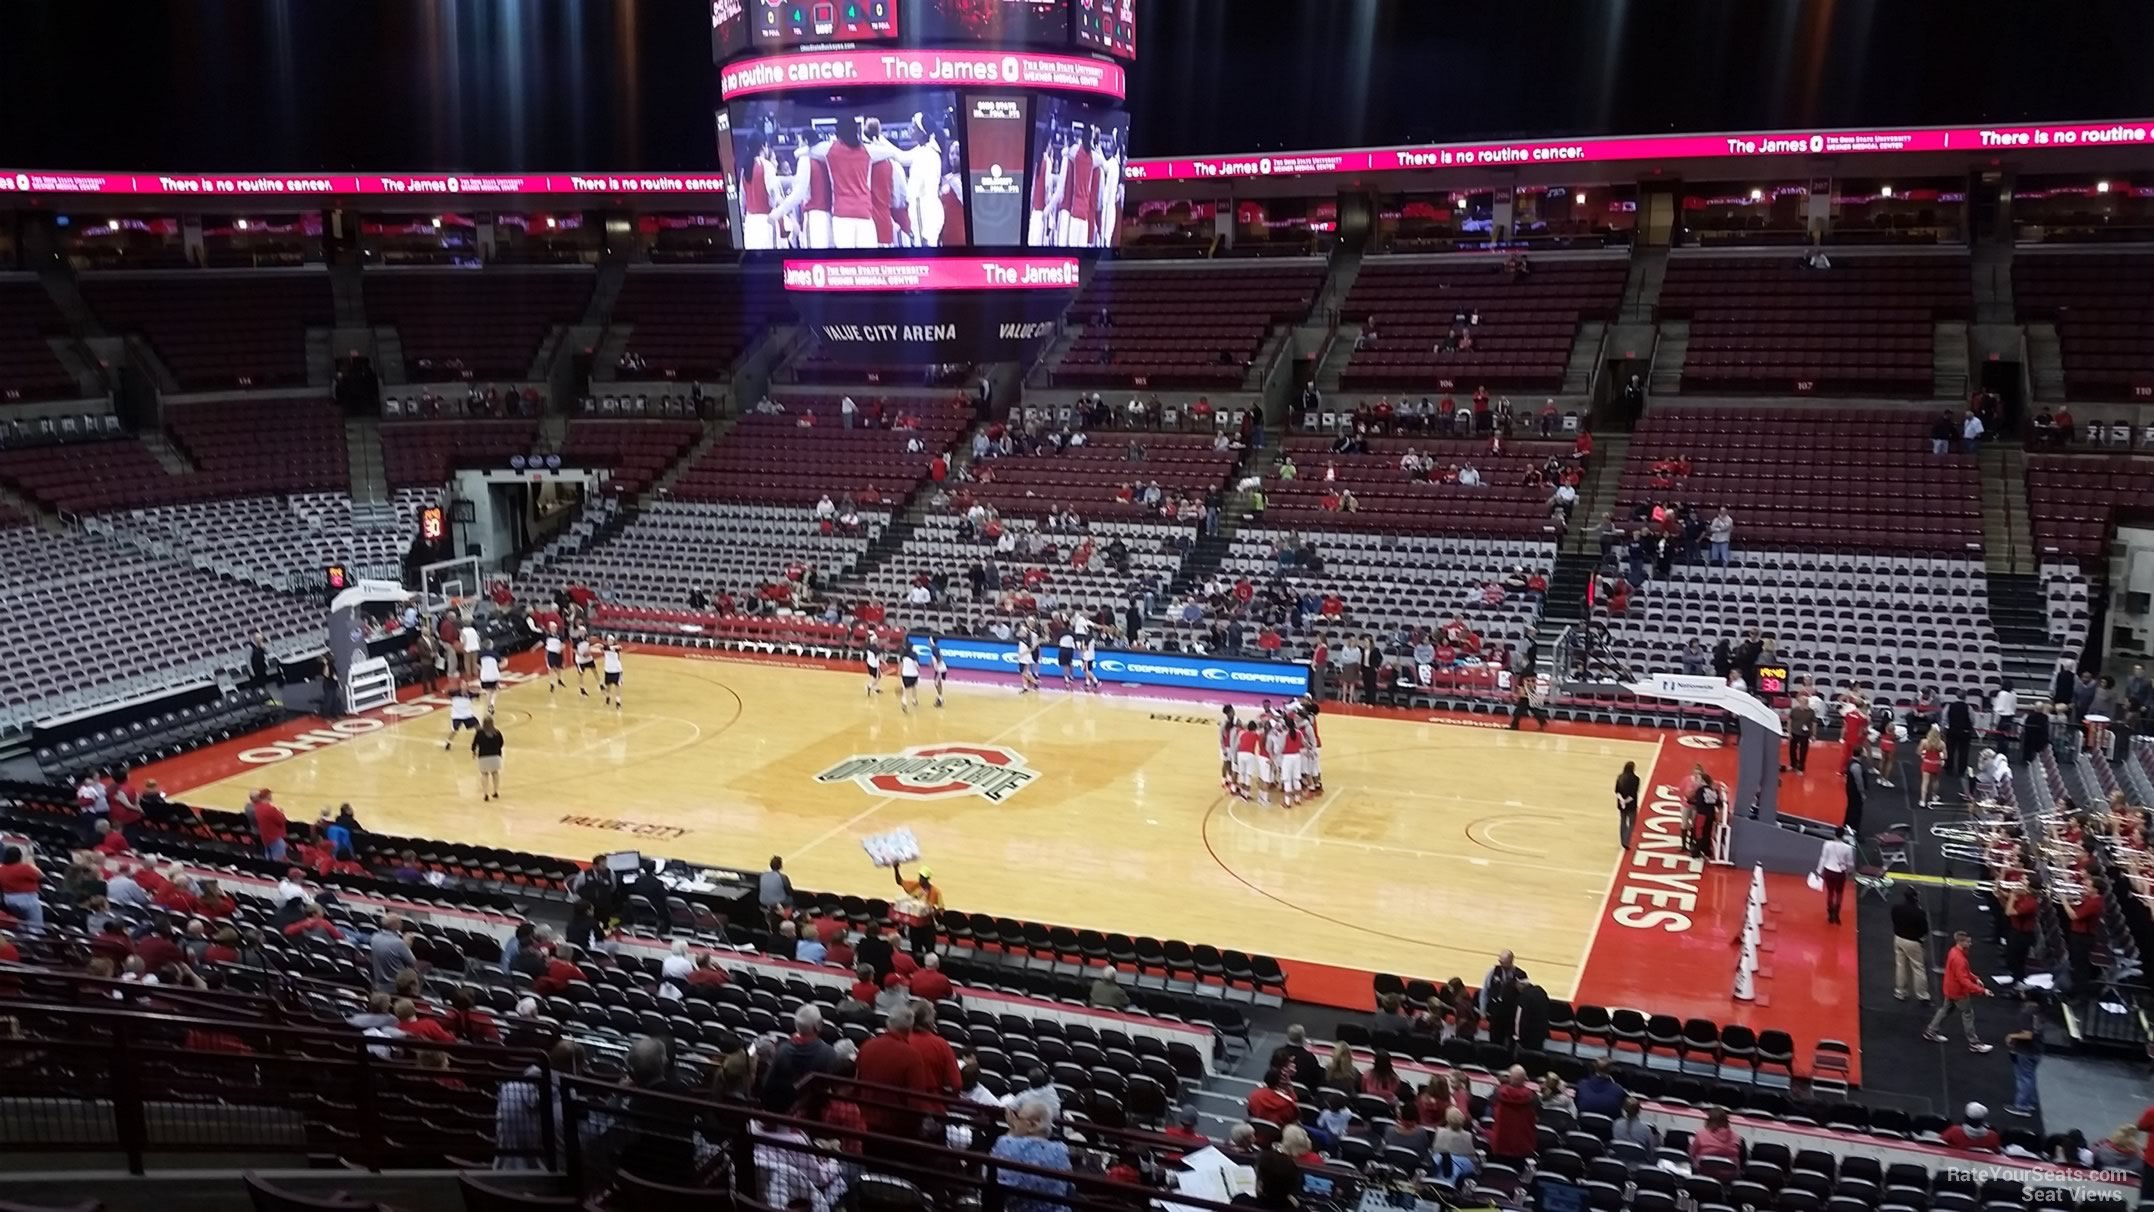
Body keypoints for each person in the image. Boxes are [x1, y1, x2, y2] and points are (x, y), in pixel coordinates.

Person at [990, 1097, 1074, 1212]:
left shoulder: (1006, 1142)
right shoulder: (1061, 1149)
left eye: (1017, 1118)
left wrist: (1012, 1130)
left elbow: (989, 1176)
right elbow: (1069, 1189)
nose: (1014, 1122)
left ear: (1033, 1125)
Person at [1925, 931, 1995, 1052]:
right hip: (1958, 992)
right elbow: (1964, 980)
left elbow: (1963, 972)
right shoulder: (1960, 959)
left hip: (1949, 988)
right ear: (1961, 942)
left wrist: (1975, 978)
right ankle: (1974, 1043)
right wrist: (1982, 991)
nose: (1971, 943)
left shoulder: (1953, 951)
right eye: (1968, 941)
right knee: (1968, 1014)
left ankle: (1931, 1031)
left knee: (1945, 1009)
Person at [760, 1005, 838, 1113]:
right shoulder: (828, 1054)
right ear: (817, 1026)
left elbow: (767, 1082)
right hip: (813, 1115)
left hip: (782, 1110)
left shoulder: (782, 1050)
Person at [1488, 1065, 1538, 1166]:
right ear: (1525, 1079)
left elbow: (1491, 1107)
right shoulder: (1532, 1097)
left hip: (1500, 1143)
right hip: (1522, 1147)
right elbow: (1538, 1114)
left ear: (1510, 1078)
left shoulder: (1498, 1093)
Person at [2004, 991, 2044, 1117]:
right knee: (2030, 1076)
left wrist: (2012, 1036)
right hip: (2037, 1049)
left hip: (2026, 1051)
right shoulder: (2039, 1010)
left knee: (2024, 1078)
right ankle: (2029, 1101)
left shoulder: (2026, 1012)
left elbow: (2027, 1035)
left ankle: (2022, 1106)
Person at [1891, 888, 1932, 1003]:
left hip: (1898, 938)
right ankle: (1922, 995)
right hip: (1913, 942)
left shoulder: (1896, 908)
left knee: (1900, 966)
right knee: (1918, 968)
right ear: (1916, 898)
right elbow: (1924, 929)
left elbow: (1894, 921)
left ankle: (1900, 992)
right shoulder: (1919, 913)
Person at [368, 915, 417, 993]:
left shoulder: (374, 937)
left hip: (379, 984)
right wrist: (406, 945)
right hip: (396, 987)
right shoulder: (399, 943)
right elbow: (412, 962)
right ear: (396, 926)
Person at [1815, 829, 1855, 924]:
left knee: (1830, 893)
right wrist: (1849, 871)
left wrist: (1818, 871)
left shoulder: (1827, 844)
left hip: (1828, 871)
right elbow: (1850, 862)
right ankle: (1837, 914)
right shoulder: (1848, 848)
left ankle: (1830, 914)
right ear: (1843, 836)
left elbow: (1823, 858)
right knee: (1839, 893)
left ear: (1835, 834)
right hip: (1840, 873)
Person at [0, 845, 42, 929]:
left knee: (20, 925)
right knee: (36, 928)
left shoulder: (1, 870)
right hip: (27, 901)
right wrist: (31, 864)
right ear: (19, 857)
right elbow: (40, 876)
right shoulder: (24, 868)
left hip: (9, 900)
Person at [471, 715, 506, 802]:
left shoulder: (479, 733)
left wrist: (474, 752)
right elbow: (501, 743)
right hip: (496, 757)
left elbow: (474, 744)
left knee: (484, 774)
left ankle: (485, 794)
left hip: (483, 757)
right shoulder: (497, 732)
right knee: (495, 773)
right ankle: (495, 791)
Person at [1613, 760, 1641, 847]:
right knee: (1632, 823)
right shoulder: (1636, 779)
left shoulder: (1620, 777)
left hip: (1621, 805)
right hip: (1631, 804)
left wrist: (1622, 801)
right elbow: (1633, 793)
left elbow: (1617, 791)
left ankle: (1623, 840)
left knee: (1623, 821)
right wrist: (1626, 801)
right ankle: (1626, 840)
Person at [758, 856, 794, 923]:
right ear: (780, 866)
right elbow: (789, 891)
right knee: (791, 899)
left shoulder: (763, 875)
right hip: (778, 902)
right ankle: (788, 918)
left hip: (763, 901)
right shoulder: (783, 877)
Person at [1844, 751, 1868, 836]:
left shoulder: (1851, 762)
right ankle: (1853, 830)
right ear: (1860, 754)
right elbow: (1859, 781)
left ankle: (1846, 826)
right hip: (1855, 792)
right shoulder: (1856, 766)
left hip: (1850, 789)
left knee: (1850, 809)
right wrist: (1862, 793)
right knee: (1856, 811)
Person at [600, 637, 624, 710]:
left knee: (618, 686)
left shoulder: (616, 648)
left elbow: (620, 647)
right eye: (608, 641)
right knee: (608, 686)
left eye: (610, 640)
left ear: (613, 641)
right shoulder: (605, 648)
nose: (609, 641)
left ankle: (618, 702)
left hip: (616, 670)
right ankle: (608, 697)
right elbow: (600, 648)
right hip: (608, 669)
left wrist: (610, 647)